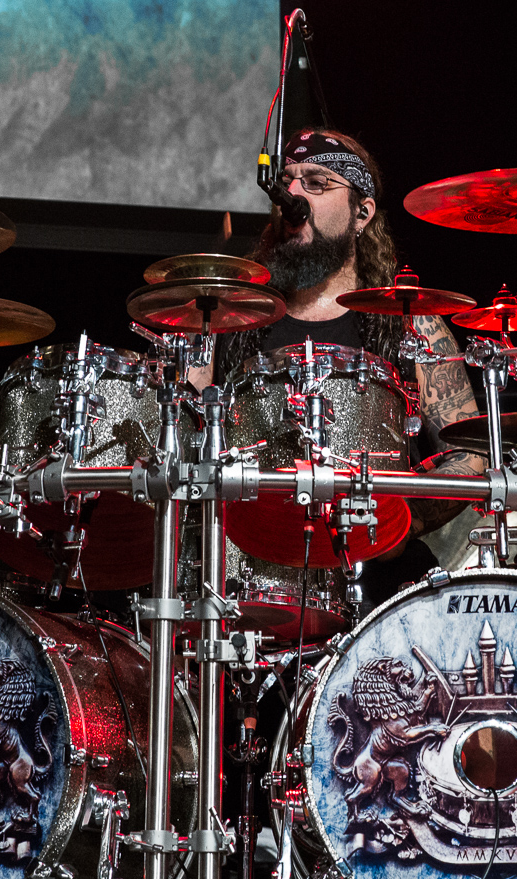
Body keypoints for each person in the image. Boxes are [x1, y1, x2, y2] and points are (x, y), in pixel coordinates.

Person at [187, 128, 483, 577]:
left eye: (316, 182)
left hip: (374, 575)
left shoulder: (408, 321)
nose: (293, 196)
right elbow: (181, 445)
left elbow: (471, 453)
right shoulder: (229, 317)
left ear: (361, 213)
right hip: (246, 578)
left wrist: (406, 519)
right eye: (286, 181)